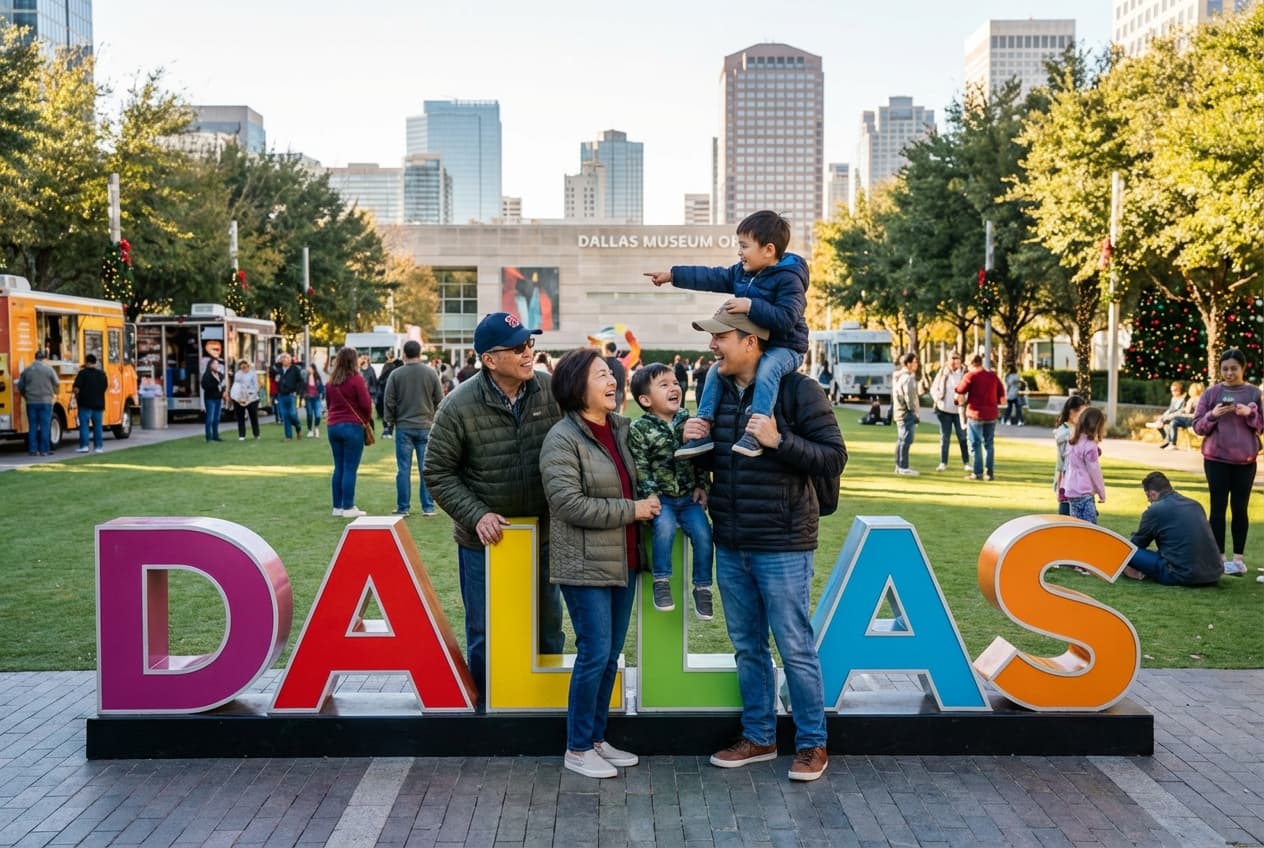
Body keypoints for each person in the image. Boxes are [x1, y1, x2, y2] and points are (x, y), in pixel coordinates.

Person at [683, 309, 846, 783]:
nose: (713, 346)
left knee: (795, 647)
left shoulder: (799, 390)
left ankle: (812, 744)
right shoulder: (714, 389)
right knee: (747, 648)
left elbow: (835, 457)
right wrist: (696, 445)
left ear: (752, 342)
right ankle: (759, 736)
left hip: (783, 544)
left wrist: (779, 440)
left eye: (721, 337)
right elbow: (719, 462)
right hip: (731, 542)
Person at [423, 312, 566, 710]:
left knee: (548, 626)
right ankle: (491, 709)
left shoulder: (551, 390)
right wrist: (477, 515)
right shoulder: (457, 405)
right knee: (486, 631)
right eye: (518, 347)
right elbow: (437, 471)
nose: (528, 353)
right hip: (485, 541)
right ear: (489, 359)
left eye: (530, 344)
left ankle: (547, 704)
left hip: (542, 535)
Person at [539, 348, 660, 778]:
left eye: (611, 374)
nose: (612, 381)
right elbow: (569, 504)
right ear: (577, 386)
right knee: (593, 653)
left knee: (610, 656)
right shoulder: (561, 438)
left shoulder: (623, 429)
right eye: (600, 376)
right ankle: (576, 748)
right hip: (584, 564)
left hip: (623, 561)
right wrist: (633, 510)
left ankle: (595, 738)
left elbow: (659, 454)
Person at [645, 209, 809, 460]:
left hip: (786, 347)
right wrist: (673, 275)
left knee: (767, 368)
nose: (739, 252)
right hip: (759, 345)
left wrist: (750, 306)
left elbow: (787, 319)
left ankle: (756, 431)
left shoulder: (789, 279)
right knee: (714, 372)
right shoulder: (742, 273)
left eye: (744, 246)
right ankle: (702, 429)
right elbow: (712, 276)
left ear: (768, 249)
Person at [628, 362, 714, 619]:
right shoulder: (640, 428)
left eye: (675, 382)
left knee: (704, 534)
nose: (673, 387)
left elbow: (700, 456)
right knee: (663, 530)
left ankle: (703, 586)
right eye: (663, 385)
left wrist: (703, 485)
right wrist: (650, 494)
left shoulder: (689, 420)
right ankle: (661, 581)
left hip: (688, 498)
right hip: (662, 499)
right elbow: (640, 466)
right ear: (645, 399)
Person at [1191, 348, 1262, 575]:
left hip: (1245, 461)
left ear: (1243, 368)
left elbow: (1261, 426)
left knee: (1240, 509)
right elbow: (1197, 426)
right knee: (1218, 508)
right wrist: (1213, 415)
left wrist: (1249, 414)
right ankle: (1219, 558)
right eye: (1225, 369)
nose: (1229, 373)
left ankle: (1238, 560)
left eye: (1234, 368)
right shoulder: (1211, 393)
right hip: (1216, 460)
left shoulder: (1254, 394)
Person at [1120, 472, 1224, 586]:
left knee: (1124, 551)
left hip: (1180, 575)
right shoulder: (1195, 505)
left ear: (1152, 494)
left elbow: (1137, 543)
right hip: (1213, 574)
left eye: (1148, 497)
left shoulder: (1155, 510)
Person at [384, 340, 444, 518]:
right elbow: (440, 399)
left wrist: (389, 422)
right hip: (425, 425)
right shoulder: (430, 373)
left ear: (404, 354)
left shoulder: (396, 374)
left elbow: (389, 400)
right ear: (420, 353)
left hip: (404, 426)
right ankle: (428, 506)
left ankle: (403, 507)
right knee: (426, 468)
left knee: (403, 469)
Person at [324, 347, 374, 518]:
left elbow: (329, 404)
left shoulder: (331, 382)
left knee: (339, 466)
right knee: (350, 468)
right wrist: (365, 420)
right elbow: (366, 404)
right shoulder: (356, 380)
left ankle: (337, 506)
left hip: (333, 426)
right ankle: (348, 506)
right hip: (352, 426)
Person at [954, 355, 1005, 481]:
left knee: (975, 443)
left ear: (971, 364)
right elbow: (1002, 397)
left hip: (975, 414)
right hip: (991, 414)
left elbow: (960, 390)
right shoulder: (993, 376)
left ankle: (977, 472)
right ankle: (989, 472)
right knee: (989, 444)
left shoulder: (970, 376)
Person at [1062, 406, 1108, 523]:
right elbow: (1094, 471)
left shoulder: (1072, 441)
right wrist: (1101, 492)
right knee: (1090, 529)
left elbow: (1067, 466)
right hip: (1084, 492)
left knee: (1076, 528)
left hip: (1072, 490)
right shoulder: (1090, 446)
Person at [929, 352, 969, 472]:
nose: (953, 362)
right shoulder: (942, 373)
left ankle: (966, 462)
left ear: (960, 360)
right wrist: (938, 399)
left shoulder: (965, 374)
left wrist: (964, 398)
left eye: (956, 359)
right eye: (951, 359)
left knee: (962, 437)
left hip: (960, 411)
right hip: (944, 410)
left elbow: (970, 390)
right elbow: (933, 389)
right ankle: (943, 462)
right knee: (945, 437)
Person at [1052, 396, 1089, 515]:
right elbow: (1062, 461)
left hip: (1079, 479)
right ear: (1072, 412)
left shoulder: (1076, 430)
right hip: (1068, 477)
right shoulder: (1065, 432)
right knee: (1067, 516)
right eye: (1082, 413)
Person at [72, 353, 108, 454]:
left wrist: (75, 394)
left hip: (85, 404)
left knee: (84, 425)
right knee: (98, 426)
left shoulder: (82, 373)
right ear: (95, 362)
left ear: (86, 362)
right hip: (99, 404)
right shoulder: (102, 374)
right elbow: (105, 387)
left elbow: (76, 388)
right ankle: (98, 447)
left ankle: (84, 446)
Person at [892, 352, 920, 476]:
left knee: (901, 439)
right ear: (908, 364)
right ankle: (903, 466)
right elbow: (909, 397)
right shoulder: (907, 378)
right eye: (914, 362)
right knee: (906, 439)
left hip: (899, 412)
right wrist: (913, 412)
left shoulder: (899, 376)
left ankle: (899, 465)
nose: (916, 364)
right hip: (906, 413)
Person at [1145, 381, 1188, 448]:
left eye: (1175, 390)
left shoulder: (1183, 399)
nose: (1173, 392)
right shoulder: (1173, 398)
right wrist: (1162, 416)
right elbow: (1170, 410)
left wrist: (1167, 417)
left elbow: (1180, 412)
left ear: (1180, 390)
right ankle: (1166, 438)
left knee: (1165, 422)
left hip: (1178, 417)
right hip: (1171, 416)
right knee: (1161, 421)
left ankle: (1169, 440)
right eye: (1172, 391)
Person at [1163, 382, 1203, 450]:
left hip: (1191, 420)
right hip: (1197, 420)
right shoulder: (1202, 399)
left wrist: (1182, 411)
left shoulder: (1192, 400)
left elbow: (1187, 412)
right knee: (1174, 422)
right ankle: (1171, 443)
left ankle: (1172, 443)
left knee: (1174, 419)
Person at [274, 353, 304, 440]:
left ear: (290, 360)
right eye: (282, 358)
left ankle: (298, 428)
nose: (284, 359)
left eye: (286, 358)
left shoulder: (295, 369)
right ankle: (288, 436)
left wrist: (297, 392)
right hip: (281, 395)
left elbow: (300, 382)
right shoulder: (279, 370)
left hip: (291, 395)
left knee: (293, 414)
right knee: (285, 415)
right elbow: (273, 371)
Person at [230, 359, 261, 440]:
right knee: (240, 417)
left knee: (253, 416)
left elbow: (256, 386)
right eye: (242, 366)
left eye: (245, 365)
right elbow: (236, 386)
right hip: (241, 397)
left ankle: (256, 434)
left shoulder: (252, 373)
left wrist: (250, 394)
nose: (243, 367)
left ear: (248, 366)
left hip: (252, 398)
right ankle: (241, 435)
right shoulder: (238, 374)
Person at [379, 351, 404, 438]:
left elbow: (381, 380)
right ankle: (389, 429)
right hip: (398, 395)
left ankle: (387, 428)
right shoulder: (399, 368)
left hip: (387, 392)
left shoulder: (388, 367)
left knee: (389, 409)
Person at [201, 358, 227, 442]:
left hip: (218, 399)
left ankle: (216, 435)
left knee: (216, 418)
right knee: (210, 418)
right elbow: (205, 386)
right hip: (210, 398)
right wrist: (216, 384)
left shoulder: (220, 375)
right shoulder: (207, 375)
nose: (217, 366)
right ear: (210, 365)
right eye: (215, 364)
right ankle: (209, 436)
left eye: (217, 364)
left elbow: (223, 385)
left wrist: (223, 392)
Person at [602, 341, 627, 414]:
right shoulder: (620, 365)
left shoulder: (603, 363)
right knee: (615, 418)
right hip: (619, 394)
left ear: (607, 350)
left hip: (607, 394)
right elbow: (623, 382)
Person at [358, 355, 380, 432]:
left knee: (369, 414)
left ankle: (371, 430)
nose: (364, 361)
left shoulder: (371, 369)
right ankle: (364, 430)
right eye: (362, 359)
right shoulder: (358, 370)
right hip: (361, 394)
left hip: (371, 394)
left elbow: (375, 383)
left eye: (365, 359)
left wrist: (375, 394)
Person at [304, 362, 324, 438]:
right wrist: (303, 396)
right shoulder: (305, 377)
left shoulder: (317, 378)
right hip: (308, 398)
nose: (308, 369)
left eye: (310, 368)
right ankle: (310, 430)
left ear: (313, 369)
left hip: (316, 398)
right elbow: (302, 386)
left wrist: (321, 393)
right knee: (309, 414)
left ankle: (316, 427)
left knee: (318, 415)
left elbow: (321, 387)